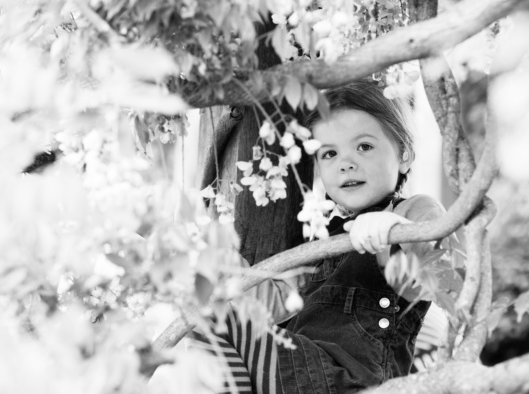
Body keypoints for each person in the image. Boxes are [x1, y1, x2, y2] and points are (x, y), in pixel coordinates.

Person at [189, 79, 459, 394]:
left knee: (214, 315)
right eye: (329, 153)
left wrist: (390, 232)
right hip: (298, 372)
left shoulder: (413, 212)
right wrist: (226, 263)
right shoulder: (320, 237)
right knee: (207, 309)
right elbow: (277, 304)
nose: (346, 163)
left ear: (404, 155)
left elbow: (436, 280)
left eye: (364, 146)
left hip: (349, 380)